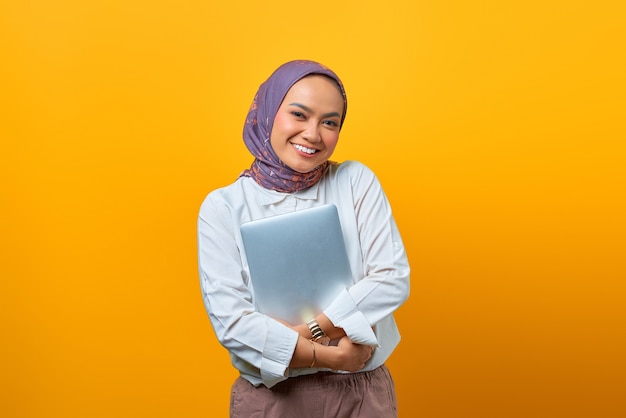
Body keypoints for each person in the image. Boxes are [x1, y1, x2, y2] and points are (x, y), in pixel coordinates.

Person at [197, 60, 410, 417]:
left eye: (330, 122)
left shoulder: (355, 181)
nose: (313, 134)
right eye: (299, 114)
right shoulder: (223, 207)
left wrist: (307, 329)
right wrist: (327, 354)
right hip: (273, 398)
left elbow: (392, 280)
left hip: (362, 394)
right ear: (268, 112)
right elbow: (233, 324)